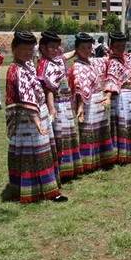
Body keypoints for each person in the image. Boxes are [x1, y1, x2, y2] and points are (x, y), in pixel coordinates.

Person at [5, 31, 67, 203]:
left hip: (40, 112)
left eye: (30, 49)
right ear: (14, 48)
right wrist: (38, 121)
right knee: (34, 154)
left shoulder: (29, 65)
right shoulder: (15, 70)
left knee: (41, 153)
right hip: (27, 119)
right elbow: (26, 97)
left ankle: (45, 188)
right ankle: (43, 191)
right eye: (24, 49)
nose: (28, 52)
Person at [36, 31, 83, 181]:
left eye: (57, 46)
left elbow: (66, 56)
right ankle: (60, 171)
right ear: (43, 48)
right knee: (59, 137)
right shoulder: (44, 65)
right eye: (52, 47)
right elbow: (48, 88)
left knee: (69, 134)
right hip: (56, 103)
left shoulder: (57, 59)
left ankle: (70, 168)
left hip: (66, 102)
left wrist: (78, 49)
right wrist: (52, 109)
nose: (56, 49)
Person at [68, 32, 115, 172]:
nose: (87, 51)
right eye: (83, 48)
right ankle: (89, 162)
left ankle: (103, 158)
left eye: (89, 47)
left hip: (99, 99)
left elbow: (108, 60)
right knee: (89, 131)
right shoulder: (77, 67)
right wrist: (80, 107)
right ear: (77, 49)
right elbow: (79, 89)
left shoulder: (94, 61)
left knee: (101, 130)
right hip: (88, 103)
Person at [105, 31, 131, 165]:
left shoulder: (127, 57)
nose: (120, 49)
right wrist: (107, 96)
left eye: (122, 46)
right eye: (117, 46)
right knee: (123, 124)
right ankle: (124, 154)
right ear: (111, 47)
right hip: (120, 97)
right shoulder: (113, 62)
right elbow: (111, 80)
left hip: (130, 95)